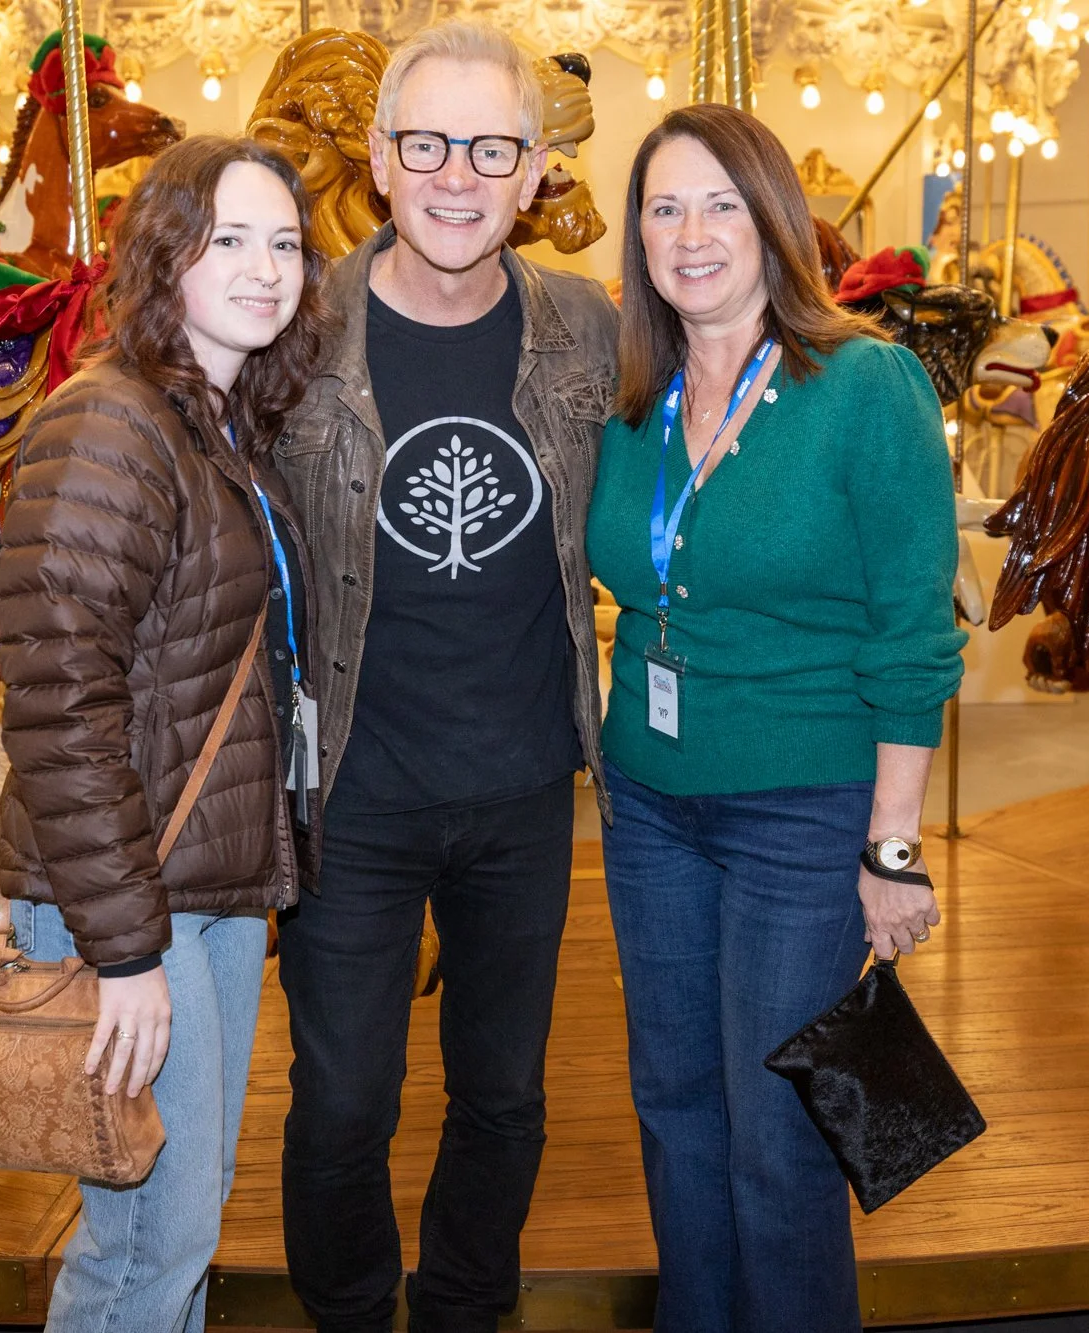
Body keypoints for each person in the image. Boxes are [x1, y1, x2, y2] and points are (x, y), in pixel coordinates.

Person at [585, 104, 965, 1333]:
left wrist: (890, 851)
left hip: (799, 812)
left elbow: (913, 635)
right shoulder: (628, 397)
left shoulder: (862, 385)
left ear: (773, 222)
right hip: (645, 802)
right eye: (662, 207)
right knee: (673, 1104)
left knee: (777, 1129)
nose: (690, 234)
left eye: (720, 205)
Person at [267, 20, 618, 1332]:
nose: (457, 175)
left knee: (505, 1096)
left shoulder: (587, 333)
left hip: (525, 791)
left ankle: (469, 1312)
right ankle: (355, 1315)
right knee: (344, 1103)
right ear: (380, 156)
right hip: (351, 787)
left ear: (534, 172)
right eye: (428, 143)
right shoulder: (300, 330)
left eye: (490, 147)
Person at [0, 135, 326, 1333]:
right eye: (229, 239)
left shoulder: (216, 425)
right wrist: (125, 948)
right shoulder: (112, 425)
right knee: (141, 1244)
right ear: (164, 253)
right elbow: (56, 697)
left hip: (205, 887)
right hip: (136, 901)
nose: (265, 269)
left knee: (181, 1223)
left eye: (283, 243)